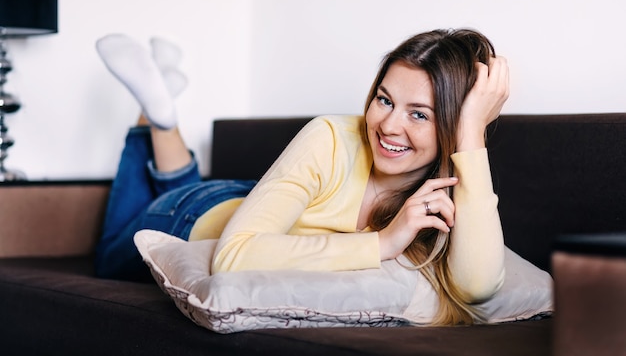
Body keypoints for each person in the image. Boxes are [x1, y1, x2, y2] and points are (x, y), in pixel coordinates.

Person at [94, 28, 509, 326]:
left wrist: (471, 133)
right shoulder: (330, 136)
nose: (388, 125)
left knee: (172, 189)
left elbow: (477, 287)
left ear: (452, 126)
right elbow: (233, 255)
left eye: (419, 114)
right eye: (384, 99)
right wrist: (380, 243)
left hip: (261, 200)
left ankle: (158, 104)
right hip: (195, 214)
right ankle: (156, 117)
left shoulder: (455, 182)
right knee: (110, 255)